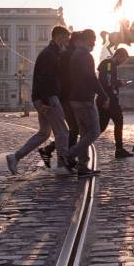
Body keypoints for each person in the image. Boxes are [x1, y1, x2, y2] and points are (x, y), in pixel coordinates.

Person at [6, 26, 73, 175]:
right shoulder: (49, 54)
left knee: (44, 133)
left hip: (42, 97)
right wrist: (45, 102)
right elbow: (45, 79)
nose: (67, 41)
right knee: (62, 132)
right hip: (48, 97)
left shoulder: (52, 53)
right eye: (66, 37)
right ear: (59, 36)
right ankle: (62, 165)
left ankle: (15, 157)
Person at [66, 29, 109, 176]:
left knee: (85, 134)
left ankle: (82, 166)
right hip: (84, 99)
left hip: (75, 99)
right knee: (94, 131)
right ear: (86, 40)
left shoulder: (75, 55)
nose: (95, 43)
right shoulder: (86, 56)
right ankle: (70, 154)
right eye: (93, 40)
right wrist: (104, 96)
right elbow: (91, 79)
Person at [38, 32, 80, 167]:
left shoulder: (65, 52)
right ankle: (66, 158)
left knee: (69, 130)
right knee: (71, 129)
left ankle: (52, 151)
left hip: (64, 95)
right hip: (64, 96)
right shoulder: (68, 54)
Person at [97, 48, 133, 158]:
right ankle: (119, 149)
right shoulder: (109, 64)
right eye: (123, 60)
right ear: (118, 55)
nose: (122, 63)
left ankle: (76, 144)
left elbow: (108, 80)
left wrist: (118, 82)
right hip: (109, 99)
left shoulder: (110, 64)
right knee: (118, 121)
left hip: (106, 99)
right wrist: (119, 82)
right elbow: (107, 82)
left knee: (99, 128)